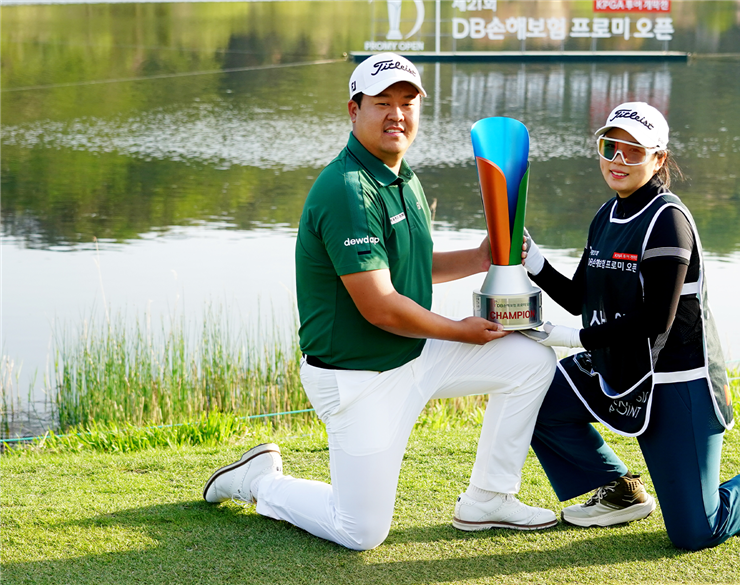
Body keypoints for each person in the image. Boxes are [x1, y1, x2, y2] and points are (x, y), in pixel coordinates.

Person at [201, 53, 559, 550]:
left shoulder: (402, 176)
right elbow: (381, 306)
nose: (397, 114)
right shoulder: (348, 189)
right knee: (361, 532)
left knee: (530, 361)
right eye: (382, 103)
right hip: (358, 377)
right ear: (354, 111)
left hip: (413, 354)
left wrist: (479, 258)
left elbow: (410, 266)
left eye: (408, 103)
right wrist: (460, 330)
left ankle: (489, 499)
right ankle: (259, 481)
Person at [523, 102, 740, 550]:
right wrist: (533, 261)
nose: (618, 160)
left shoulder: (668, 220)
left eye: (633, 151)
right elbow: (580, 298)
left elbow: (654, 320)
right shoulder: (606, 216)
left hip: (678, 380)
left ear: (659, 158)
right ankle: (622, 492)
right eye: (610, 147)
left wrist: (571, 338)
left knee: (696, 531)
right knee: (534, 398)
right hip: (619, 362)